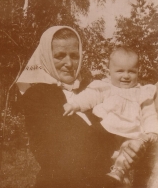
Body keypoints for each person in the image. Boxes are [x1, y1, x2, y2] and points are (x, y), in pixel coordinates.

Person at [17, 26, 144, 188]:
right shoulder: (37, 96)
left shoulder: (93, 89)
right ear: (46, 57)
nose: (69, 63)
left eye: (74, 56)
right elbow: (56, 152)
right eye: (59, 56)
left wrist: (128, 146)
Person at [63, 47, 158, 184]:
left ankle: (119, 173)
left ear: (138, 72)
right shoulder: (105, 87)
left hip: (131, 134)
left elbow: (149, 113)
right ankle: (114, 177)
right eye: (120, 71)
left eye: (131, 71)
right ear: (110, 72)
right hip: (107, 132)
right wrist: (74, 104)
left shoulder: (142, 92)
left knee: (131, 151)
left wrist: (152, 132)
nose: (125, 76)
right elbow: (89, 97)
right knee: (104, 155)